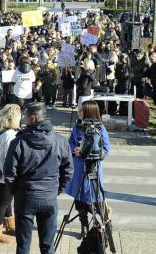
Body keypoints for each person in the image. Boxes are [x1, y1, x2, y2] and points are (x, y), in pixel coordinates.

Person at [3, 102, 73, 254]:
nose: (23, 120)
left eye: (26, 117)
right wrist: (56, 190)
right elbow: (68, 171)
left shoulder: (18, 142)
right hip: (49, 196)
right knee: (48, 246)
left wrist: (17, 191)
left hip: (25, 197)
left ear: (33, 119)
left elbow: (9, 174)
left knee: (23, 245)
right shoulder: (60, 141)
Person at [64, 101, 110, 238]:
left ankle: (101, 224)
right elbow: (70, 142)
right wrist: (75, 150)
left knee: (95, 197)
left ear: (89, 112)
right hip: (79, 167)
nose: (79, 113)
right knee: (79, 198)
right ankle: (83, 225)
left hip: (93, 169)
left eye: (81, 111)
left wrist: (90, 153)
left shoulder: (100, 129)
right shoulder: (77, 127)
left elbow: (106, 149)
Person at [0, 104, 21, 244]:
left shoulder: (0, 131)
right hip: (6, 174)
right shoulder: (10, 135)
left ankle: (10, 226)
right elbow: (11, 157)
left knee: (7, 202)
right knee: (3, 203)